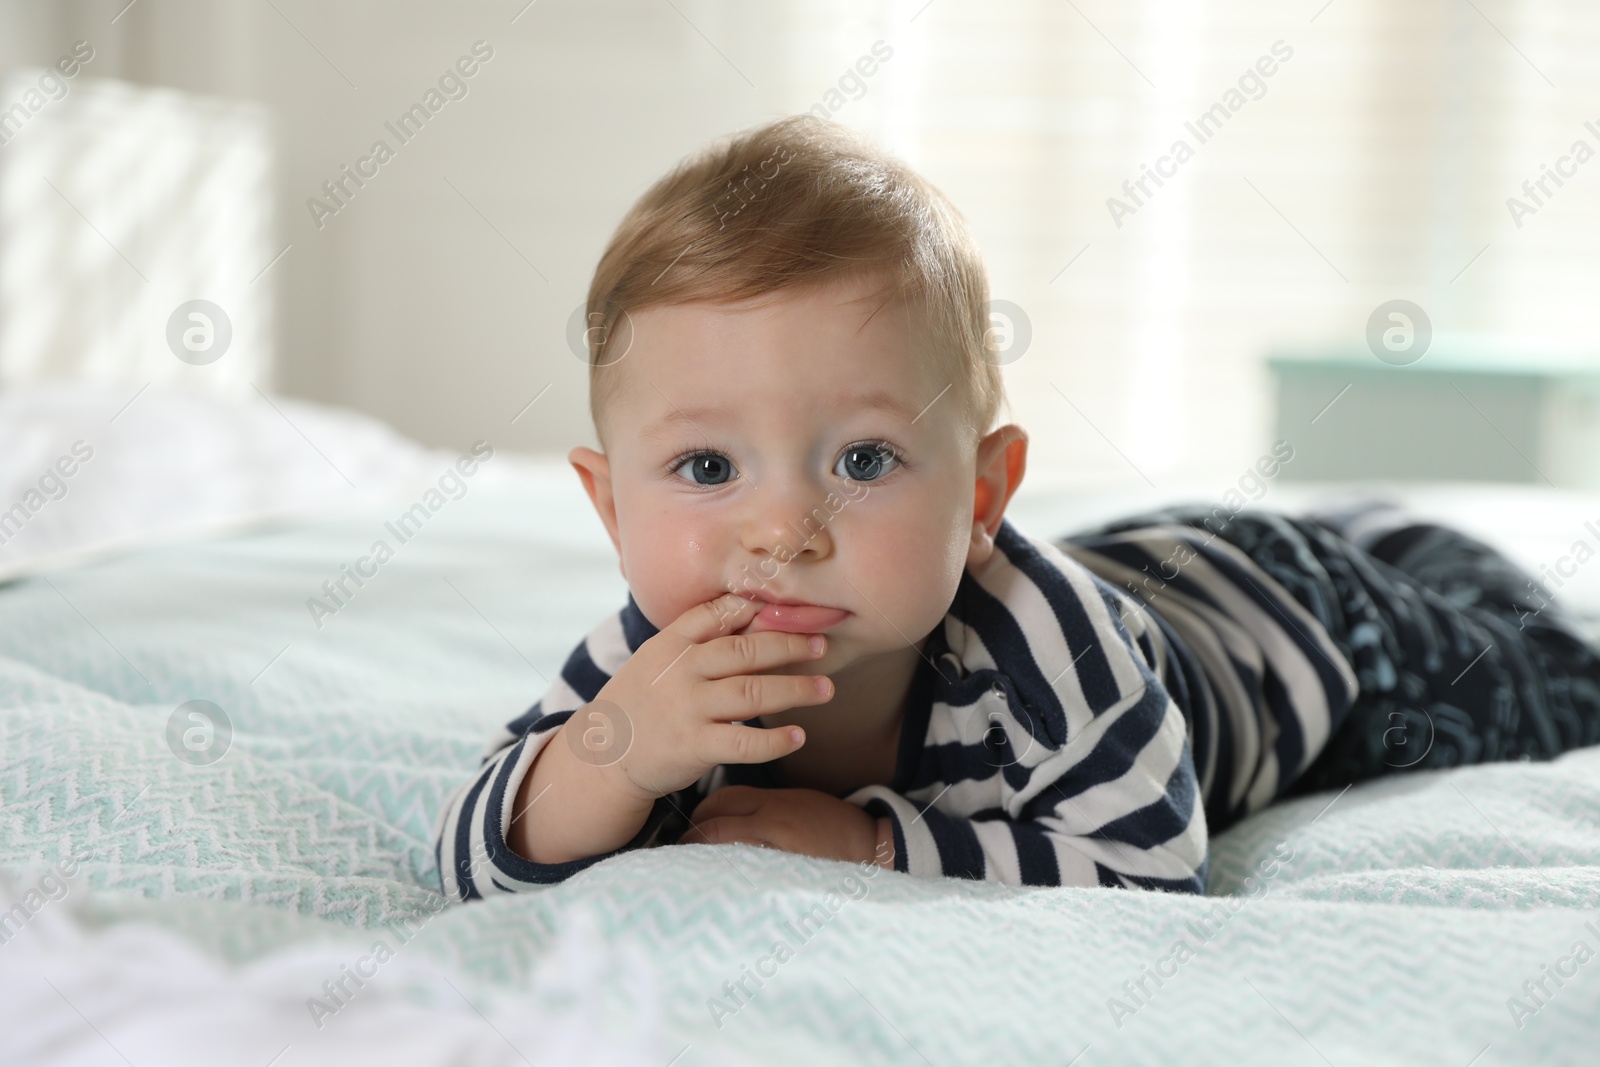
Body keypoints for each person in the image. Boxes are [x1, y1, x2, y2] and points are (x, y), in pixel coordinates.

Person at [433, 115, 1600, 901]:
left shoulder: (1045, 656)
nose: (782, 530)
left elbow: (1153, 863)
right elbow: (466, 849)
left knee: (1547, 679)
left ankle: (1386, 549)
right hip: (1150, 574)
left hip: (1307, 637)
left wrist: (877, 842)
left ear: (982, 489)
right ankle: (1380, 531)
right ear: (608, 507)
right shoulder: (650, 659)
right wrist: (606, 765)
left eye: (865, 458)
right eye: (703, 470)